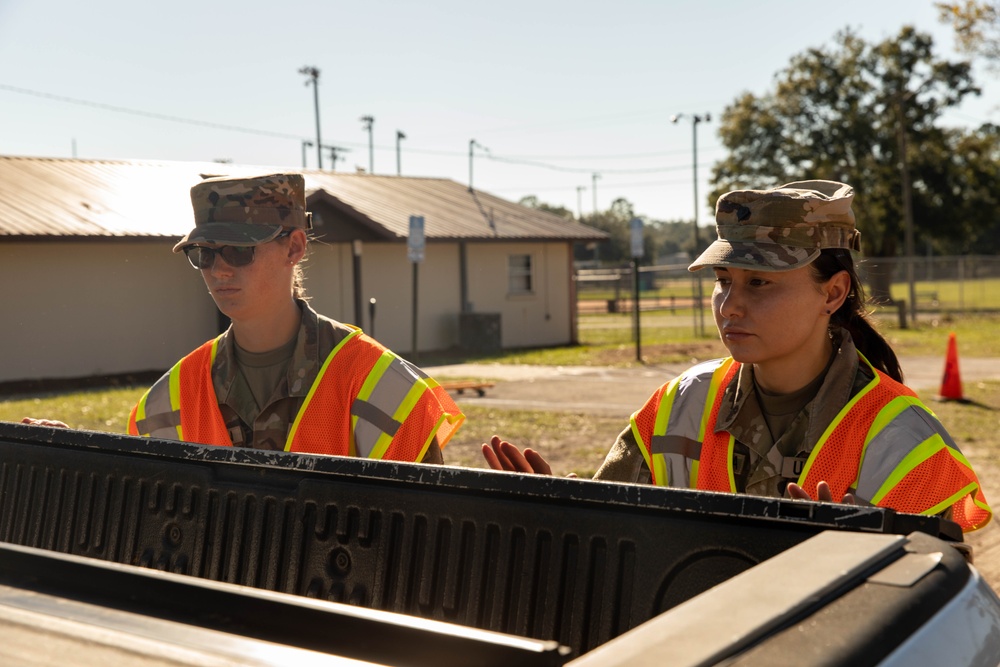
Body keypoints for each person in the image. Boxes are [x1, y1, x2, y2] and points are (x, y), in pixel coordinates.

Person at [484, 180, 991, 532]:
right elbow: (621, 529)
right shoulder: (681, 403)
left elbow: (941, 609)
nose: (731, 305)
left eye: (761, 283)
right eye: (724, 281)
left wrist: (861, 559)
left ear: (833, 294)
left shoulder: (902, 438)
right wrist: (557, 508)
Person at [26, 173, 464, 463]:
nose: (219, 270)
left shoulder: (381, 386)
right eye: (205, 253)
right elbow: (142, 523)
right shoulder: (170, 399)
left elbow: (419, 539)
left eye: (239, 250)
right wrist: (72, 454)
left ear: (294, 248)